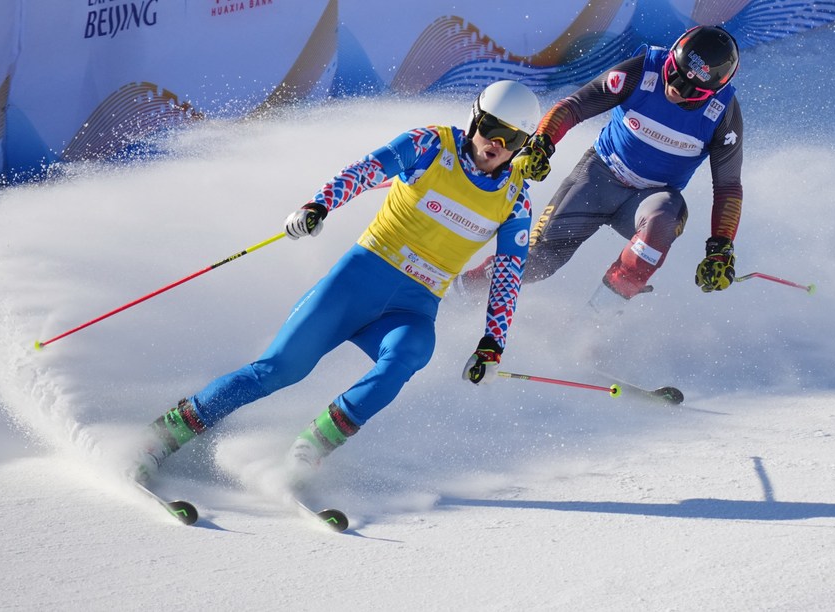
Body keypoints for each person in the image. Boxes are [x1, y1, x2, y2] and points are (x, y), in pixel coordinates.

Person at [131, 80, 544, 486]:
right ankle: (161, 437)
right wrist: (319, 204)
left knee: (412, 352)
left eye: (512, 138)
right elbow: (366, 170)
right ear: (475, 120)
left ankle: (311, 448)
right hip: (358, 281)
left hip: (412, 307)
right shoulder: (432, 145)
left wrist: (493, 344)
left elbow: (507, 273)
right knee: (277, 370)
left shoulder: (515, 198)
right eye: (492, 129)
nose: (498, 144)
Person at [454, 25, 743, 314]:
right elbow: (573, 106)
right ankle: (461, 291)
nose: (675, 88)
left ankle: (595, 324)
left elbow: (728, 186)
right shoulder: (642, 71)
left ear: (713, 92)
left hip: (652, 199)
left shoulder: (723, 115)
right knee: (538, 260)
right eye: (674, 72)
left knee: (662, 225)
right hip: (598, 176)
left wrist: (721, 247)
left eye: (690, 89)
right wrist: (541, 144)